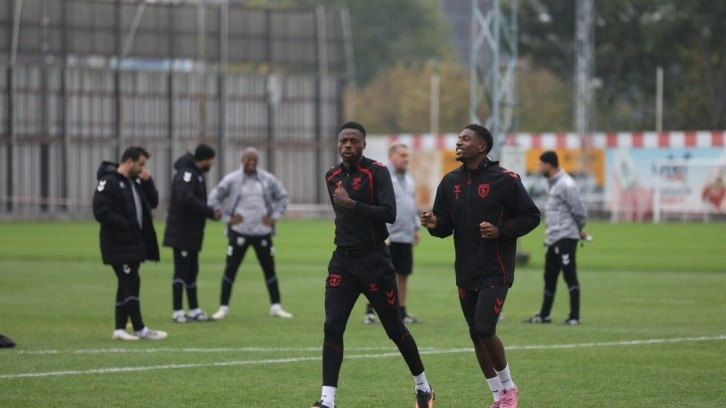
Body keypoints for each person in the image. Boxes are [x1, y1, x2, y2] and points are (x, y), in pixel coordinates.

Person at [312, 121, 435, 408]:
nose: (348, 145)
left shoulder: (377, 172)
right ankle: (327, 400)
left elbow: (389, 213)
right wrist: (347, 209)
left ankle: (424, 387)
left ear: (363, 145)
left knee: (394, 328)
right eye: (343, 141)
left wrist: (352, 203)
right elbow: (343, 218)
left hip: (374, 262)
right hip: (342, 262)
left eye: (354, 141)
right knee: (332, 326)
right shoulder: (331, 175)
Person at [421, 124, 540, 408]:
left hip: (496, 269)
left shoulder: (505, 179)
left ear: (482, 147)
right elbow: (445, 227)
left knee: (485, 328)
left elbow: (531, 216)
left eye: (465, 139)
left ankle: (509, 389)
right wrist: (434, 224)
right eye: (458, 138)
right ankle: (497, 396)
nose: (458, 142)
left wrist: (500, 230)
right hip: (465, 271)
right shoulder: (449, 182)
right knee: (476, 334)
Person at [207, 147, 293, 319]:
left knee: (269, 269)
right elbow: (213, 198)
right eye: (249, 160)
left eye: (255, 160)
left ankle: (276, 307)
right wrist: (227, 218)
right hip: (239, 232)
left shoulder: (267, 179)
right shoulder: (232, 179)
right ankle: (223, 308)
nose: (252, 163)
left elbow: (283, 197)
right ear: (242, 160)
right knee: (231, 269)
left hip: (262, 232)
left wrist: (274, 217)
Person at [93, 146, 168, 341]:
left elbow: (153, 202)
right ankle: (139, 328)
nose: (143, 169)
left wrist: (148, 181)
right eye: (141, 164)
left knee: (125, 285)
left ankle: (119, 329)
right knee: (131, 282)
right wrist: (125, 224)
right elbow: (100, 211)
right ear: (129, 161)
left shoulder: (134, 182)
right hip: (118, 244)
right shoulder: (108, 182)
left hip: (134, 243)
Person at [524, 150, 588, 326]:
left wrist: (579, 228)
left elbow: (579, 211)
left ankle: (574, 316)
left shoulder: (567, 184)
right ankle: (544, 315)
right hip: (552, 237)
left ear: (549, 165)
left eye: (540, 165)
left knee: (569, 275)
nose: (539, 168)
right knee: (549, 276)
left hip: (565, 236)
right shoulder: (550, 184)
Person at [163, 144, 222, 323]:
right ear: (204, 159)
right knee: (181, 272)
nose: (212, 164)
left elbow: (195, 202)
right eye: (211, 160)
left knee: (192, 271)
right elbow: (185, 198)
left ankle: (194, 310)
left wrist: (210, 214)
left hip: (192, 232)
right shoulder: (186, 174)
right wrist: (209, 211)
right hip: (181, 232)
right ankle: (178, 312)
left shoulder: (197, 174)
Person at [364, 143, 421, 325]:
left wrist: (416, 228)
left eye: (407, 156)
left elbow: (412, 205)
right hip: (386, 235)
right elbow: (373, 204)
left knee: (403, 274)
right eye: (402, 155)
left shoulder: (409, 180)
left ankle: (401, 311)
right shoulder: (382, 176)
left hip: (405, 235)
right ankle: (371, 311)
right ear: (392, 156)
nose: (406, 159)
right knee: (379, 274)